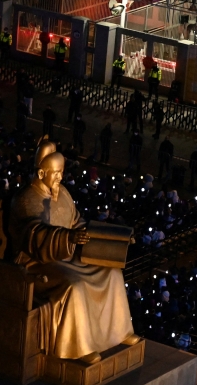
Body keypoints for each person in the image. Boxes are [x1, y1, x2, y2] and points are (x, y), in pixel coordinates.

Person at [8, 141, 138, 362]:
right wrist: (67, 237)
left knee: (112, 273)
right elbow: (33, 235)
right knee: (75, 286)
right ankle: (80, 347)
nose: (60, 177)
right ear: (41, 173)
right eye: (56, 173)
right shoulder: (26, 199)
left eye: (61, 172)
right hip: (37, 262)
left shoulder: (63, 194)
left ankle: (119, 332)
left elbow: (77, 223)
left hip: (67, 254)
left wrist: (115, 241)